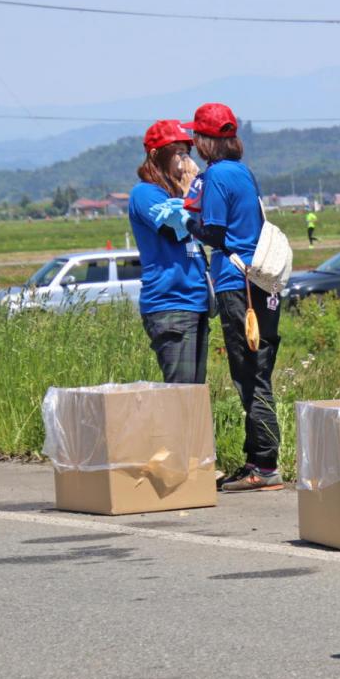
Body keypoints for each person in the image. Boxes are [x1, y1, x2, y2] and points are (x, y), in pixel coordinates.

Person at [181, 103, 283, 493]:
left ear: (207, 140)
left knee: (249, 374)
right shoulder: (242, 171)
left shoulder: (217, 176)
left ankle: (265, 465)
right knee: (259, 370)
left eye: (196, 136)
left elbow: (216, 234)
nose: (193, 142)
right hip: (259, 282)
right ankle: (257, 458)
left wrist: (189, 222)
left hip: (236, 284)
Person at [127, 120, 210, 384]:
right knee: (180, 394)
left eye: (188, 153)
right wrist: (189, 193)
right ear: (155, 156)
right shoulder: (145, 194)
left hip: (196, 301)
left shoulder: (179, 194)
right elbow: (173, 227)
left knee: (195, 394)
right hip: (170, 303)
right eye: (179, 154)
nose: (186, 162)